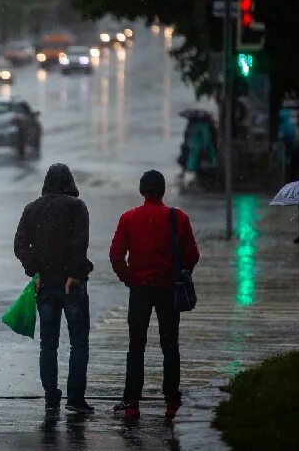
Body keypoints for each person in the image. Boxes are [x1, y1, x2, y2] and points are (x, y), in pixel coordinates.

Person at [109, 170, 199, 419]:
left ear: (142, 191)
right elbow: (192, 254)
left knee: (136, 346)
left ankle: (132, 403)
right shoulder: (177, 218)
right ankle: (171, 401)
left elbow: (116, 255)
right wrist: (180, 274)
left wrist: (131, 279)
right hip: (168, 289)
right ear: (162, 191)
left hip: (140, 290)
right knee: (170, 345)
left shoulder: (129, 218)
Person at [14, 163, 94, 414]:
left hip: (45, 284)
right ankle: (75, 398)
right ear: (69, 183)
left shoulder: (32, 209)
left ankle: (51, 396)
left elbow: (20, 244)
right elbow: (80, 243)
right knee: (78, 343)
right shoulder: (76, 207)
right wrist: (74, 274)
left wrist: (34, 271)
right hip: (72, 286)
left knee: (48, 344)